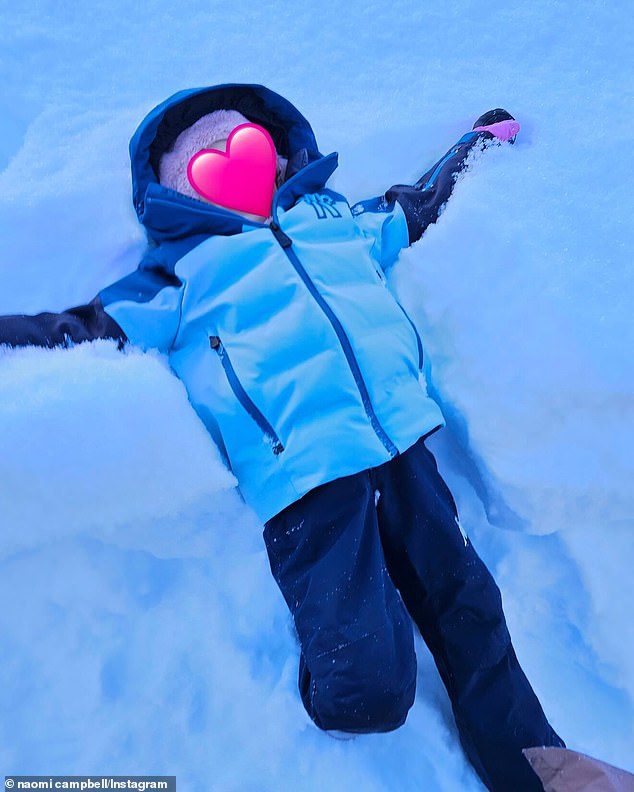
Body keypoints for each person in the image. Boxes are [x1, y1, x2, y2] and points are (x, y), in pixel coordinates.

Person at [0, 83, 564, 790]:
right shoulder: (180, 274)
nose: (237, 172)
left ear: (273, 155)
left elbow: (414, 205)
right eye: (205, 169)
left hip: (400, 442)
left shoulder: (333, 218)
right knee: (367, 688)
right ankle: (360, 651)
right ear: (181, 193)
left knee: (469, 605)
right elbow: (72, 330)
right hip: (305, 477)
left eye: (248, 151)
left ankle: (538, 769)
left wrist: (475, 146)